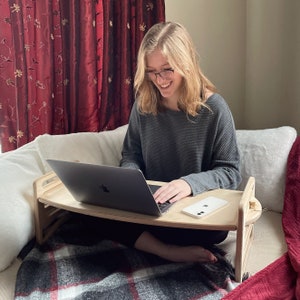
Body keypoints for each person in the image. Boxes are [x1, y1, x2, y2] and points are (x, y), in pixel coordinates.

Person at [117, 21, 242, 263]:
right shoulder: (143, 105)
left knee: (219, 228)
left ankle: (155, 245)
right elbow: (131, 155)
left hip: (192, 215)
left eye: (167, 69)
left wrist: (189, 184)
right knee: (88, 213)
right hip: (151, 212)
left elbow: (231, 172)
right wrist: (131, 182)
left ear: (185, 63)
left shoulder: (214, 108)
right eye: (152, 71)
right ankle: (168, 252)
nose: (159, 79)